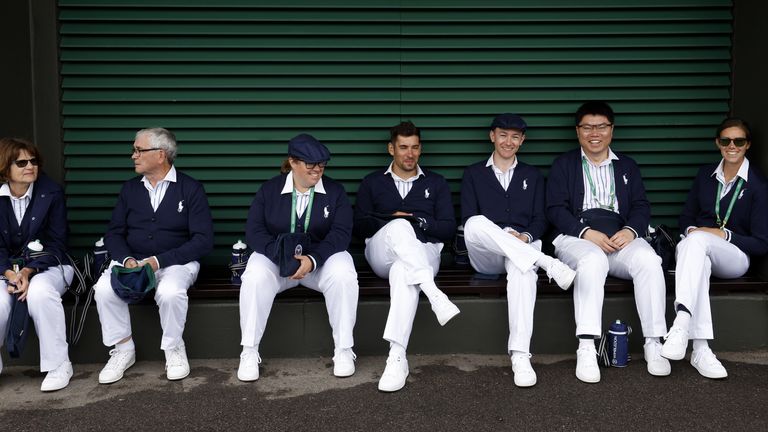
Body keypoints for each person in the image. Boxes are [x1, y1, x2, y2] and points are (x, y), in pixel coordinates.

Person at [546, 101, 669, 383]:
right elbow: (554, 209)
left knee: (650, 261)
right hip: (577, 237)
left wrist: (631, 231)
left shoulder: (627, 165)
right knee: (592, 260)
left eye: (601, 126)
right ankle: (587, 346)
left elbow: (640, 205)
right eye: (587, 127)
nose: (594, 133)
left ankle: (654, 342)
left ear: (611, 130)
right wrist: (585, 232)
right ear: (578, 131)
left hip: (618, 235)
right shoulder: (564, 164)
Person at [460, 114, 576, 387]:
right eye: (503, 135)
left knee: (523, 271)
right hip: (487, 254)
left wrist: (524, 236)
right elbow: (468, 218)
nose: (508, 141)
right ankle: (547, 262)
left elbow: (541, 218)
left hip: (524, 246)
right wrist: (503, 236)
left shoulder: (532, 175)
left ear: (522, 141)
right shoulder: (474, 173)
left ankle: (520, 356)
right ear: (492, 136)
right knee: (475, 223)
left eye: (515, 137)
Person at [93, 128, 213, 384]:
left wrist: (159, 261)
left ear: (161, 155)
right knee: (103, 289)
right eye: (134, 150)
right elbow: (114, 234)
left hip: (175, 263)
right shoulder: (129, 190)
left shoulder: (191, 189)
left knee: (170, 292)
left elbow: (203, 241)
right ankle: (123, 349)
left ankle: (173, 348)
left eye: (138, 150)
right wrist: (127, 260)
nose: (133, 156)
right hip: (132, 261)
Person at [237, 133, 359, 382]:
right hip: (280, 264)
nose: (317, 170)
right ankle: (249, 351)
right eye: (310, 164)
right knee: (254, 276)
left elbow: (341, 233)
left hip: (318, 264)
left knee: (345, 273)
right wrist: (280, 256)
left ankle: (344, 350)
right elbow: (255, 231)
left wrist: (313, 259)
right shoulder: (269, 190)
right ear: (293, 162)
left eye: (322, 164)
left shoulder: (335, 191)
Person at [354, 121, 457, 392]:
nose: (409, 154)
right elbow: (359, 225)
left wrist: (418, 221)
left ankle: (396, 356)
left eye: (414, 148)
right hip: (381, 255)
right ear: (391, 149)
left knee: (404, 270)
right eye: (403, 148)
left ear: (420, 149)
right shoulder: (373, 182)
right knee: (398, 228)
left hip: (424, 254)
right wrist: (391, 221)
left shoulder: (435, 183)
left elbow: (447, 227)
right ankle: (434, 294)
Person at [661, 118, 768, 379]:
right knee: (697, 250)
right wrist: (692, 232)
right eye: (726, 140)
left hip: (736, 258)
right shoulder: (705, 175)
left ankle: (681, 320)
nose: (732, 146)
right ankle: (700, 348)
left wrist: (722, 233)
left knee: (696, 242)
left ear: (747, 145)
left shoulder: (758, 186)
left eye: (739, 141)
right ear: (718, 143)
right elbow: (686, 218)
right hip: (699, 253)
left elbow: (761, 243)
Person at [0, 138, 75, 391]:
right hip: (7, 269)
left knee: (40, 293)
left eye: (33, 161)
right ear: (5, 168)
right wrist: (10, 272)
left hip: (51, 265)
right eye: (21, 162)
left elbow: (57, 242)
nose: (30, 166)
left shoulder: (50, 193)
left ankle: (58, 364)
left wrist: (29, 271)